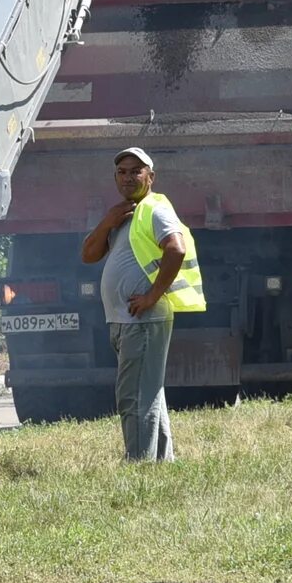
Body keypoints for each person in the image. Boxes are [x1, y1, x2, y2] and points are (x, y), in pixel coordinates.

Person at [78, 145, 204, 462]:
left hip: (142, 320)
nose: (128, 177)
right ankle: (160, 462)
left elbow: (175, 249)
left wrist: (152, 296)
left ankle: (138, 464)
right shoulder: (122, 214)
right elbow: (88, 255)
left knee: (133, 396)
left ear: (151, 176)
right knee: (148, 394)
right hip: (124, 320)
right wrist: (107, 222)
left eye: (136, 170)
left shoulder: (154, 209)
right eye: (122, 172)